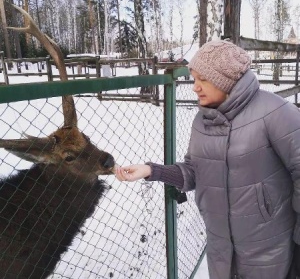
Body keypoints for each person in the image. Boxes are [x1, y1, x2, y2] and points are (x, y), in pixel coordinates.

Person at [115, 40, 300, 279]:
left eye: (203, 79)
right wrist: (152, 171)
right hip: (220, 248)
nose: (195, 87)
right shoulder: (202, 120)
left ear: (227, 80)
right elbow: (195, 170)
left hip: (268, 249)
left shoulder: (275, 112)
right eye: (194, 78)